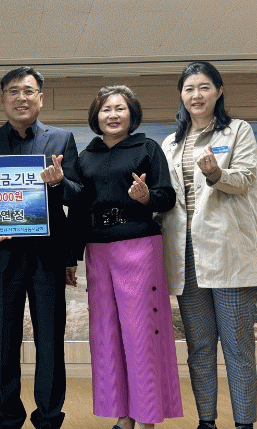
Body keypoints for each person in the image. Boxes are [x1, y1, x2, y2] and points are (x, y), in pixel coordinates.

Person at [0, 67, 81, 429]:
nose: (22, 98)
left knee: (50, 343)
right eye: (14, 91)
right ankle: (7, 418)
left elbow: (79, 195)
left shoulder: (61, 139)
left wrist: (60, 183)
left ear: (40, 98)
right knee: (3, 343)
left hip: (48, 258)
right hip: (3, 258)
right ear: (3, 99)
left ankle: (49, 417)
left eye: (29, 91)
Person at [160, 61, 257, 429]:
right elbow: (167, 198)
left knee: (238, 347)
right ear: (181, 95)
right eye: (189, 88)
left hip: (228, 253)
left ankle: (244, 424)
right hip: (184, 253)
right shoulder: (170, 143)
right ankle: (206, 421)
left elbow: (245, 178)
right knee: (200, 347)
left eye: (204, 87)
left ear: (218, 91)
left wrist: (216, 173)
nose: (196, 95)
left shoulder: (238, 130)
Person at [78, 85, 183, 429]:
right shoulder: (86, 156)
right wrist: (70, 257)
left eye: (120, 108)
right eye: (106, 109)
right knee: (107, 335)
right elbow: (77, 206)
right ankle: (123, 417)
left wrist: (146, 197)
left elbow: (167, 197)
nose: (113, 115)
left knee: (140, 334)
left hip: (139, 246)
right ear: (96, 116)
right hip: (98, 251)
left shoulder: (147, 148)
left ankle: (147, 417)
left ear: (132, 114)